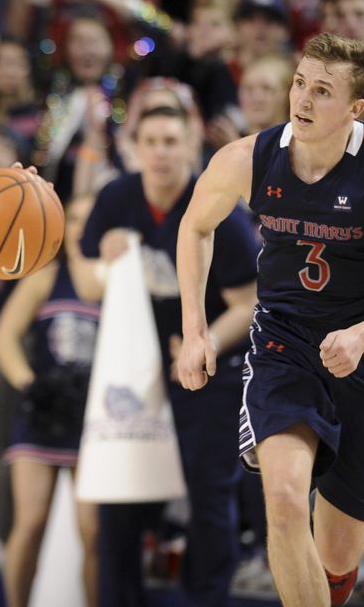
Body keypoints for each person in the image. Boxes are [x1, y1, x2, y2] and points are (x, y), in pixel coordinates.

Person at [175, 33, 364, 607]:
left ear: (355, 109)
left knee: (339, 555)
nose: (302, 98)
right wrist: (196, 330)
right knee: (286, 500)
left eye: (322, 91)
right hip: (283, 343)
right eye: (300, 82)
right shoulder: (251, 156)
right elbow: (195, 226)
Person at [76, 104, 259, 607]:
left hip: (204, 374)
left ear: (191, 146)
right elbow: (89, 285)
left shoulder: (219, 207)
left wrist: (203, 341)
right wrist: (105, 262)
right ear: (134, 146)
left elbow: (249, 303)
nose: (160, 152)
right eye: (151, 140)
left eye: (171, 141)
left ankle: (205, 599)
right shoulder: (116, 197)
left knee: (208, 498)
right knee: (120, 498)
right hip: (131, 375)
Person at [0, 195, 100, 607]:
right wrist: (31, 385)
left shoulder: (114, 279)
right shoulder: (45, 277)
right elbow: (3, 339)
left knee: (92, 531)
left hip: (92, 419)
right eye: (72, 219)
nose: (79, 228)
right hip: (43, 411)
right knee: (31, 521)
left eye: (89, 221)